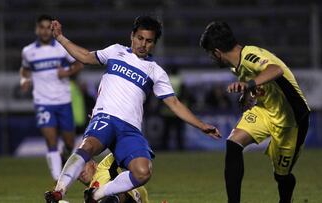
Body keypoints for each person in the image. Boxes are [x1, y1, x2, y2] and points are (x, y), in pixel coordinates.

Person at [44, 16, 221, 203]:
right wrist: (61, 38)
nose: (143, 44)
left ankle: (96, 195)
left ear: (154, 43)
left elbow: (174, 104)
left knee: (143, 172)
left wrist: (201, 125)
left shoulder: (155, 71)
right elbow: (86, 57)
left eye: (149, 41)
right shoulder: (115, 51)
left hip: (130, 130)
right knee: (87, 147)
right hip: (106, 117)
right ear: (132, 36)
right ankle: (59, 192)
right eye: (140, 38)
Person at [200, 21, 310, 203]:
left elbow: (276, 70)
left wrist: (248, 85)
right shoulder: (237, 64)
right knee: (233, 144)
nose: (212, 58)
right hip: (265, 109)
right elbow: (260, 80)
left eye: (211, 54)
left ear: (217, 52)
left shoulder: (250, 56)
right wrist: (248, 92)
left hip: (291, 119)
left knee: (282, 176)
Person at [19, 14, 83, 181]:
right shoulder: (28, 51)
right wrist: (24, 80)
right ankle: (57, 180)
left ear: (52, 29)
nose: (45, 31)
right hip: (43, 103)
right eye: (42, 27)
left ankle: (65, 155)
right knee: (51, 140)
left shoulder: (62, 48)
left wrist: (67, 72)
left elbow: (80, 62)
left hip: (63, 101)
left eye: (49, 27)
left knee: (70, 143)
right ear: (37, 29)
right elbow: (25, 70)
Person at [78, 153, 149, 203]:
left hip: (130, 198)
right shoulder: (88, 196)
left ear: (93, 163)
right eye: (77, 170)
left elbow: (124, 149)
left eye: (83, 165)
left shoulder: (105, 166)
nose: (81, 171)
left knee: (114, 191)